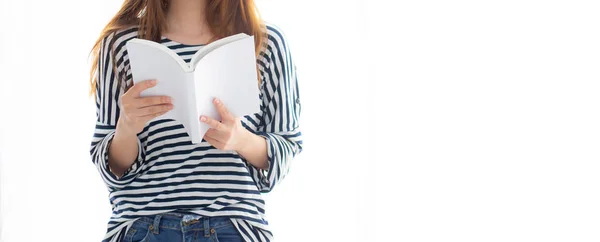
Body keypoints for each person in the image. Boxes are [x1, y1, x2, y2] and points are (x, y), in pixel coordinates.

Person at [88, 0, 302, 241]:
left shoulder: (265, 43)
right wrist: (126, 127)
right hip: (144, 226)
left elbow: (285, 152)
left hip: (234, 227)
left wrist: (241, 140)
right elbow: (112, 170)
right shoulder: (121, 43)